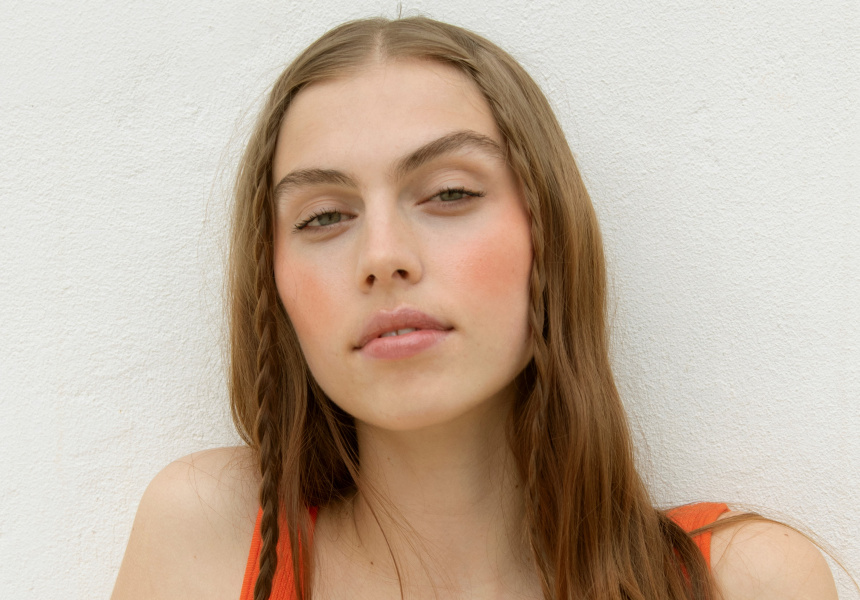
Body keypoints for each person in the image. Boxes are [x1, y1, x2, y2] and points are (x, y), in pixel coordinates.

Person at [110, 16, 838, 600]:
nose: (382, 256)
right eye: (324, 216)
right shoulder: (207, 537)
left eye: (450, 193)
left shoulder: (742, 583)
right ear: (272, 281)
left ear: (548, 237)